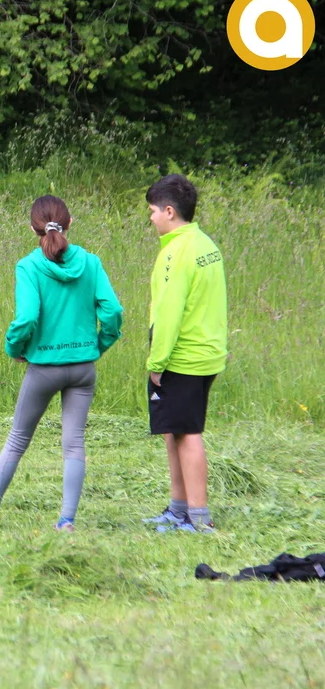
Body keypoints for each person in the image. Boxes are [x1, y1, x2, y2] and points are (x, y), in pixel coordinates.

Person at [0, 196, 122, 531]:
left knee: (17, 440)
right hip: (83, 367)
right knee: (74, 444)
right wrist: (99, 344)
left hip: (43, 368)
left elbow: (27, 317)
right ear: (69, 224)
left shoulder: (28, 266)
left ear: (33, 228)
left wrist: (14, 348)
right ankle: (66, 521)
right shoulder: (91, 262)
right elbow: (113, 311)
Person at [140, 174, 227, 533]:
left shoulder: (175, 253)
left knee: (187, 433)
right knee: (173, 430)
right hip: (207, 353)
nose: (151, 218)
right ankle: (178, 510)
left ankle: (198, 518)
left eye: (153, 211)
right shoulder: (205, 244)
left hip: (183, 358)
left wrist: (157, 362)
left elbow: (169, 313)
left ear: (170, 211)